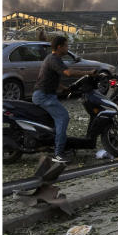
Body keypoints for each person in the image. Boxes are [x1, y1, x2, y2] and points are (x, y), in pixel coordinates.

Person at [29, 36, 79, 193]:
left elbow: (50, 78)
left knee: (55, 121)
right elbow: (69, 72)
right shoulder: (54, 59)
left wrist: (64, 88)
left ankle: (56, 145)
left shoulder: (51, 59)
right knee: (63, 117)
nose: (67, 48)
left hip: (46, 94)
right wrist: (90, 72)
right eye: (66, 46)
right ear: (59, 47)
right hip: (43, 96)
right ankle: (58, 154)